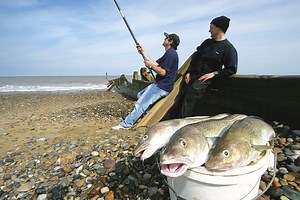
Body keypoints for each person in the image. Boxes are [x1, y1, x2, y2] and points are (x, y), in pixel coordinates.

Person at [112, 32, 180, 130]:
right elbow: (155, 63)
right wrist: (143, 52)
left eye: (166, 38)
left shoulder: (171, 54)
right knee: (140, 95)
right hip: (160, 85)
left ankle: (126, 124)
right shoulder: (169, 53)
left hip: (162, 87)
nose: (164, 39)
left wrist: (150, 66)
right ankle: (148, 118)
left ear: (170, 41)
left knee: (140, 104)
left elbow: (162, 72)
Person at [179, 15, 237, 118]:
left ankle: (181, 121)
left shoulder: (228, 48)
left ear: (218, 28)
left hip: (206, 80)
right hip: (193, 75)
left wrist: (214, 74)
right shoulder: (206, 43)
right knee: (182, 91)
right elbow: (195, 58)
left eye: (211, 27)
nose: (209, 30)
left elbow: (231, 69)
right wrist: (188, 72)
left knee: (192, 92)